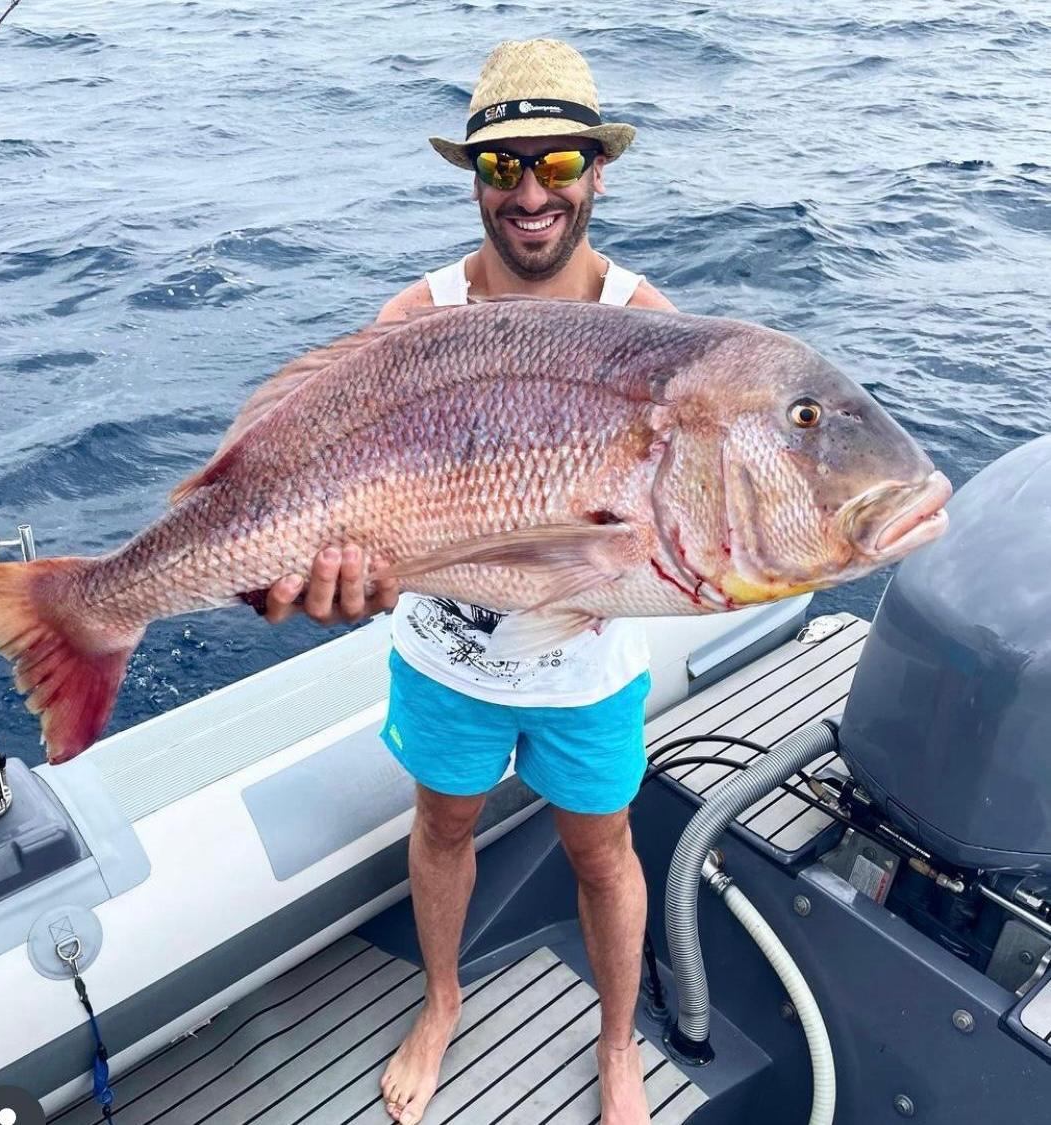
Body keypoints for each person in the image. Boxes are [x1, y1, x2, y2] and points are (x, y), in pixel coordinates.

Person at [266, 39, 675, 1125]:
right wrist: (339, 582)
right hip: (446, 662)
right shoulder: (418, 319)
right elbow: (328, 497)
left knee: (603, 851)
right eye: (503, 166)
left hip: (588, 672)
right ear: (474, 179)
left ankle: (618, 1044)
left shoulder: (649, 329)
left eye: (559, 163)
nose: (532, 193)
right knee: (441, 825)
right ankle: (441, 1000)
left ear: (599, 171)